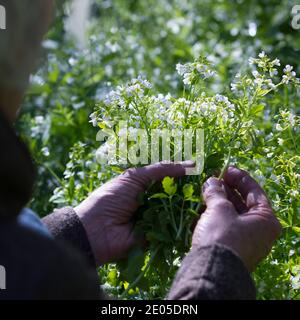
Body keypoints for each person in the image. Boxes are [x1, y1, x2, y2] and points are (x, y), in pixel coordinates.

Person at [0, 0, 282, 300]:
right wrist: (220, 263)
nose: (34, 72)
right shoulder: (38, 277)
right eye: (37, 47)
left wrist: (76, 233)